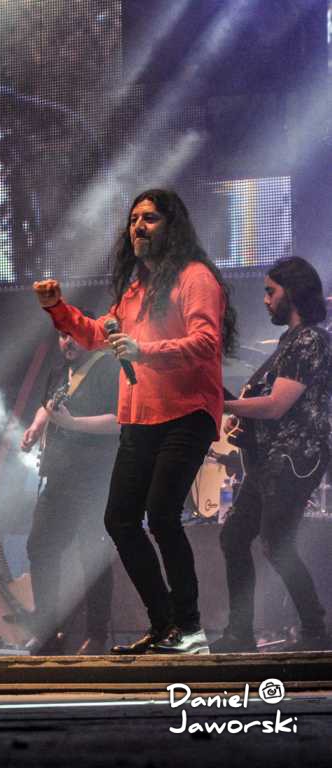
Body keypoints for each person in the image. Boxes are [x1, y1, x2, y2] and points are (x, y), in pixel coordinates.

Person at [33, 188, 237, 655]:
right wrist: (58, 309)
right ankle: (165, 625)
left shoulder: (195, 277)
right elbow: (97, 335)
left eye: (150, 218)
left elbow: (206, 342)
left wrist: (145, 350)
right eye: (133, 220)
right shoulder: (136, 289)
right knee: (120, 520)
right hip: (141, 417)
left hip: (186, 413)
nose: (138, 227)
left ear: (172, 226)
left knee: (162, 516)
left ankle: (190, 629)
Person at [214, 257, 331, 653]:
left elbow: (278, 405)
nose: (265, 300)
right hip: (271, 459)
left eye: (270, 291)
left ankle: (314, 629)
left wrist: (225, 405)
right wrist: (241, 416)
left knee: (276, 541)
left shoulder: (310, 340)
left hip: (296, 457)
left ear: (292, 292)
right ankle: (240, 633)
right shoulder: (288, 342)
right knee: (235, 537)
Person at [20, 318, 120, 655]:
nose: (67, 342)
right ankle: (47, 631)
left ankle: (96, 635)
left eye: (74, 335)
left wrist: (74, 424)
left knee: (92, 554)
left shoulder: (108, 369)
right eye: (63, 336)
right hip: (59, 477)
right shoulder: (58, 372)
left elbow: (120, 420)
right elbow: (47, 406)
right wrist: (35, 428)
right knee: (39, 547)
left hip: (96, 479)